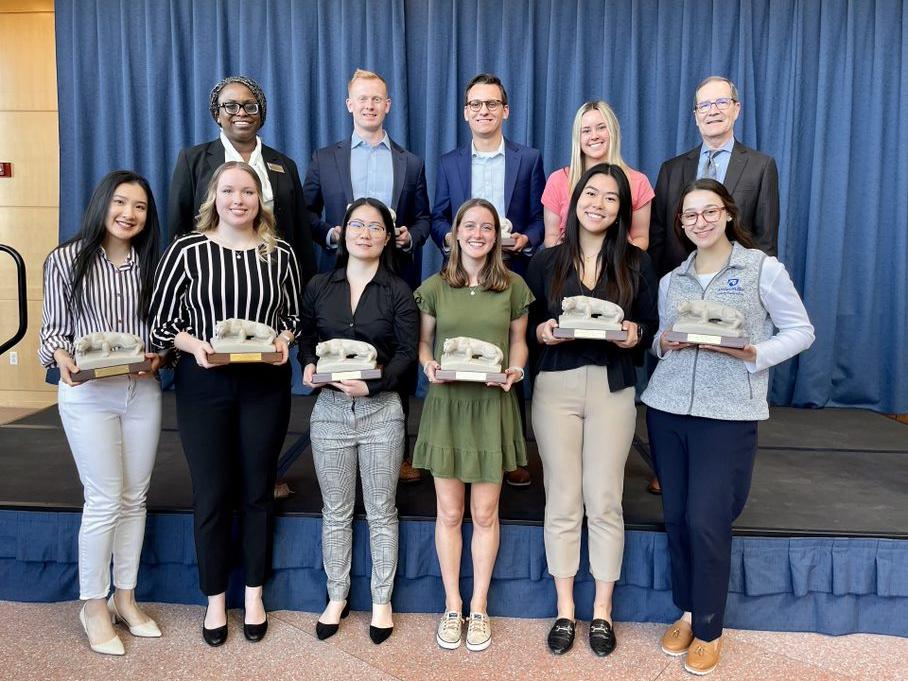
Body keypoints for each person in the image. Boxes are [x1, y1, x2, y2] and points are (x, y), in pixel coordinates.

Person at [642, 179, 814, 675]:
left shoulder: (761, 268)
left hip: (728, 414)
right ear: (681, 223)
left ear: (728, 214)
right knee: (676, 516)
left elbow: (801, 331)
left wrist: (754, 354)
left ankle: (710, 626)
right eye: (689, 215)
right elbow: (659, 341)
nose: (700, 222)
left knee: (706, 520)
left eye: (709, 211)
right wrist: (662, 344)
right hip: (667, 409)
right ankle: (686, 611)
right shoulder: (672, 279)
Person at [149, 161, 303, 647]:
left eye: (248, 192)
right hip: (204, 385)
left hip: (264, 386)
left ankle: (254, 594)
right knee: (212, 493)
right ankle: (215, 598)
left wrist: (284, 339)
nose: (239, 200)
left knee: (257, 491)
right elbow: (161, 323)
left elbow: (293, 317)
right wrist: (195, 346)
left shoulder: (280, 254)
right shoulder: (186, 250)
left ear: (261, 201)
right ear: (213, 197)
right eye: (229, 191)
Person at [526, 164, 658, 657]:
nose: (598, 204)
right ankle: (565, 609)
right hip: (556, 386)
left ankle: (602, 611)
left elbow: (649, 325)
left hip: (612, 386)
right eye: (590, 194)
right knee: (562, 498)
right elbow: (529, 324)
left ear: (622, 209)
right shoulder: (547, 261)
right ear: (574, 200)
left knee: (604, 499)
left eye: (610, 197)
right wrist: (541, 332)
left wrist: (636, 334)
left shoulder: (637, 263)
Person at [39, 170, 164, 655]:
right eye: (120, 202)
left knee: (135, 498)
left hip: (141, 391)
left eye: (140, 207)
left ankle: (124, 598)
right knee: (105, 498)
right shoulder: (66, 259)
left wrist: (160, 356)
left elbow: (160, 331)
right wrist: (61, 358)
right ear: (101, 204)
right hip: (89, 394)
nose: (129, 214)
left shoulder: (151, 262)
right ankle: (92, 605)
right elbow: (53, 332)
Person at [413, 198, 533, 652]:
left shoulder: (514, 286)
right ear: (455, 233)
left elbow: (519, 342)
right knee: (448, 513)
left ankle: (478, 608)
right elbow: (424, 343)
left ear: (497, 236)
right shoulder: (434, 287)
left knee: (484, 514)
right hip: (447, 407)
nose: (478, 234)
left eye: (487, 227)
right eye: (470, 226)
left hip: (491, 408)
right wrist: (428, 365)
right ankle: (452, 605)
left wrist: (516, 371)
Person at [303, 68, 431, 484]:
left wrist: (411, 236)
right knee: (340, 347)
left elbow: (425, 218)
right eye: (362, 98)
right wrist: (331, 234)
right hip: (343, 273)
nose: (370, 105)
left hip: (396, 275)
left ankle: (399, 451)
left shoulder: (410, 163)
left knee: (397, 354)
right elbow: (306, 212)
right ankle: (339, 441)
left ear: (387, 105)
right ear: (350, 104)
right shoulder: (326, 158)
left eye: (377, 99)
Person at [299, 197, 418, 644]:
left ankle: (381, 600)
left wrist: (376, 385)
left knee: (382, 510)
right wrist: (308, 364)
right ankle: (337, 596)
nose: (364, 234)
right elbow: (307, 338)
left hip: (381, 412)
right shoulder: (319, 285)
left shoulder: (399, 291)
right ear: (343, 232)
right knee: (336, 511)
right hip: (329, 412)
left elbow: (406, 352)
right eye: (356, 225)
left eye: (375, 227)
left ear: (387, 238)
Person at [431, 73, 544, 487]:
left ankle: (512, 453)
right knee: (462, 353)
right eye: (475, 104)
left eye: (492, 104)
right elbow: (439, 217)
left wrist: (526, 239)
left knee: (510, 353)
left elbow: (539, 219)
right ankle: (456, 446)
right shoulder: (449, 162)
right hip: (462, 273)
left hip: (512, 271)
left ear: (505, 110)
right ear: (465, 113)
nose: (483, 111)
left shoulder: (528, 159)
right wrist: (451, 239)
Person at [168, 74, 317, 284]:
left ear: (261, 114)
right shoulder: (192, 160)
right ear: (217, 114)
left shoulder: (285, 164)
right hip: (210, 277)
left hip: (274, 276)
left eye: (250, 106)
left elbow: (301, 233)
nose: (241, 112)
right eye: (230, 106)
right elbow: (179, 227)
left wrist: (307, 286)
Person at [649, 76, 780, 278]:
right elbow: (657, 239)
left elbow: (766, 241)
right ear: (696, 116)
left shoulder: (761, 167)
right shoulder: (670, 170)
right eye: (704, 105)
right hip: (680, 282)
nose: (713, 111)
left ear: (736, 109)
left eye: (721, 102)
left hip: (738, 285)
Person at [541, 101, 654, 250]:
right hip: (568, 262)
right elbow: (551, 236)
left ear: (613, 131)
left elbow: (641, 238)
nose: (594, 136)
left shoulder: (638, 182)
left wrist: (619, 256)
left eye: (601, 127)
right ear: (577, 137)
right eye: (586, 131)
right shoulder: (557, 180)